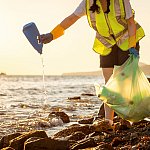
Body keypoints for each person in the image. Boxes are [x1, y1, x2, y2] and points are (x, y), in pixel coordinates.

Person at [39, 0, 145, 126]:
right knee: (109, 82)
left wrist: (133, 46)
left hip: (127, 40)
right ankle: (108, 122)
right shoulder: (87, 3)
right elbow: (71, 18)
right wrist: (52, 35)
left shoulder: (121, 1)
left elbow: (131, 22)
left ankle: (127, 119)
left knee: (124, 80)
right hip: (107, 43)